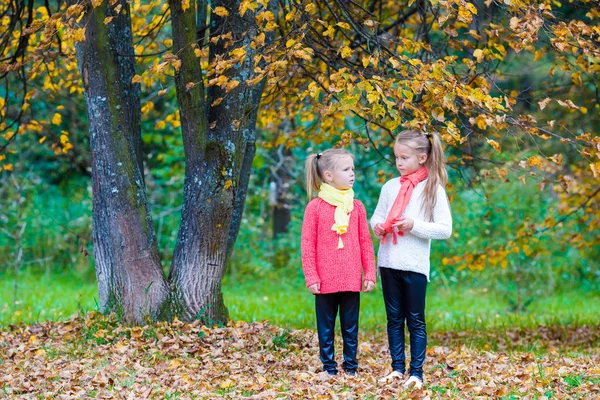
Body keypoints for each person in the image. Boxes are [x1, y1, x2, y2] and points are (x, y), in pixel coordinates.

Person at [371, 130, 452, 389]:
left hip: (415, 265)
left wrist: (413, 224)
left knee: (415, 319)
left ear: (422, 157)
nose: (399, 163)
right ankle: (397, 369)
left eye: (404, 157)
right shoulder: (390, 187)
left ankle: (416, 374)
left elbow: (445, 229)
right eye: (396, 157)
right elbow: (377, 216)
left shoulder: (433, 189)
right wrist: (378, 226)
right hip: (388, 262)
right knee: (394, 319)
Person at [301, 148, 376, 377]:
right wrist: (311, 277)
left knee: (350, 327)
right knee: (326, 328)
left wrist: (370, 273)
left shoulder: (357, 207)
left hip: (352, 279)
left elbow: (365, 242)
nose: (352, 173)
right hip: (324, 281)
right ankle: (329, 368)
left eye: (353, 169)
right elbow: (307, 245)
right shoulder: (315, 207)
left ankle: (351, 367)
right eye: (346, 169)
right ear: (328, 176)